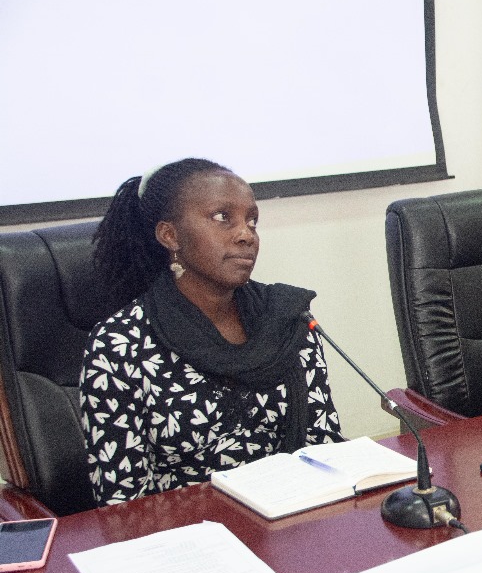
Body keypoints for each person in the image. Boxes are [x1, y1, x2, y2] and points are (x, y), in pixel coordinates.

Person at [79, 158, 343, 506]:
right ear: (169, 235)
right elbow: (123, 505)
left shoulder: (286, 317)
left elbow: (324, 447)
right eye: (223, 217)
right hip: (188, 541)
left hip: (295, 519)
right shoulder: (119, 346)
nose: (245, 234)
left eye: (252, 221)